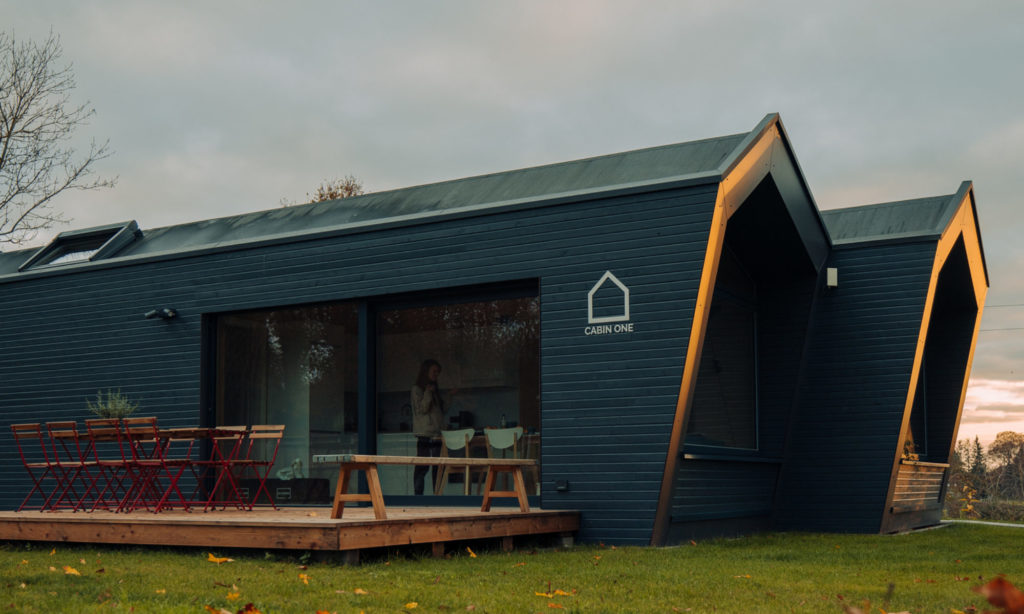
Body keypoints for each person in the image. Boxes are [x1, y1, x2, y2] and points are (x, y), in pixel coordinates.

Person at [411, 359, 446, 495]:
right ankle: (418, 497)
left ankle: (436, 496)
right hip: (425, 434)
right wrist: (428, 392)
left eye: (438, 372)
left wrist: (450, 396)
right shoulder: (417, 389)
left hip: (437, 434)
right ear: (426, 372)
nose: (436, 374)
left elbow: (441, 411)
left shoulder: (434, 390)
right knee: (422, 467)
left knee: (438, 468)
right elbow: (422, 409)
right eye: (434, 371)